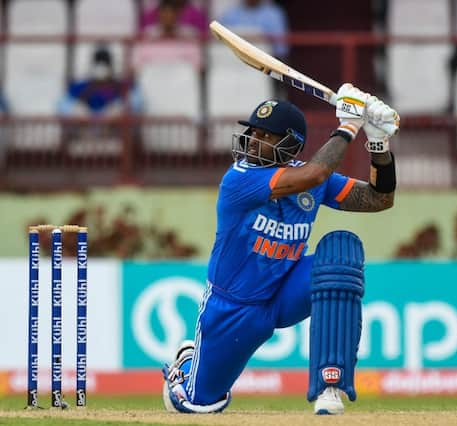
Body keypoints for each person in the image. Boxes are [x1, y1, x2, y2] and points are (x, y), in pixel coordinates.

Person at [161, 84, 400, 415]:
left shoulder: (309, 177)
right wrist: (349, 124)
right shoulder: (239, 179)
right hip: (234, 307)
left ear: (291, 144)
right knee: (197, 404)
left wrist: (377, 143)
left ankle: (329, 386)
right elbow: (315, 174)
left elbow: (379, 199)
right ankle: (186, 365)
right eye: (253, 132)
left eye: (265, 135)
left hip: (285, 291)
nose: (253, 140)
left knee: (341, 253)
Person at [218, 0, 289, 58]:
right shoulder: (230, 14)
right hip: (232, 61)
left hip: (264, 63)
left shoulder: (274, 14)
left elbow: (281, 49)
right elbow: (219, 42)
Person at [140, 0, 208, 38]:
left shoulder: (190, 33)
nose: (168, 17)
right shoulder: (148, 34)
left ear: (177, 15)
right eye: (165, 14)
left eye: (170, 14)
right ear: (159, 15)